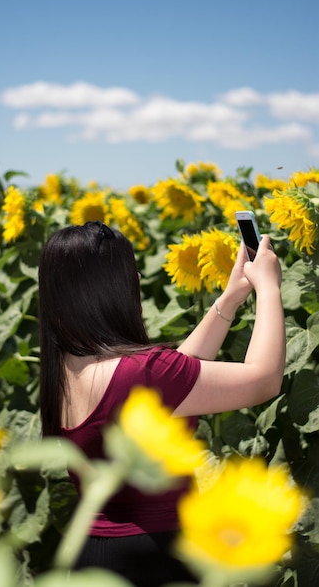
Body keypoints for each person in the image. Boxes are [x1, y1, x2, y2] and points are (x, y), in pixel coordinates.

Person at [37, 220, 285, 587]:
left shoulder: (65, 369)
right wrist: (269, 288)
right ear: (110, 289)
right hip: (155, 559)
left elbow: (176, 381)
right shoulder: (140, 373)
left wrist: (229, 299)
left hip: (93, 557)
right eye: (128, 270)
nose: (137, 275)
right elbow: (263, 379)